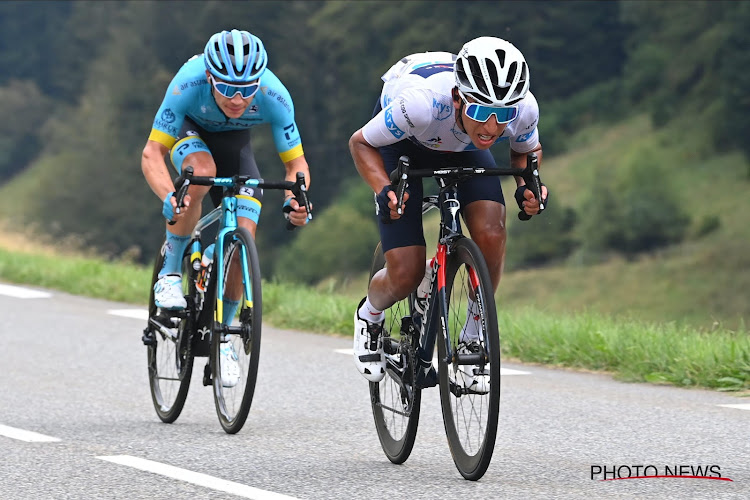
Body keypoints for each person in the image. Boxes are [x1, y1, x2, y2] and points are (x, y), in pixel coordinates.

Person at [349, 37, 547, 385]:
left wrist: (527, 185)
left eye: (503, 116)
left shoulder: (523, 108)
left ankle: (474, 332)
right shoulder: (420, 104)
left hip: (461, 146)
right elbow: (361, 143)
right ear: (458, 97)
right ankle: (370, 314)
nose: (492, 127)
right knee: (406, 271)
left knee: (491, 233)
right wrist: (383, 189)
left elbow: (525, 153)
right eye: (482, 111)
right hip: (405, 141)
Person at [142, 29, 312, 385]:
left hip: (236, 149)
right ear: (209, 77)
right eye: (227, 88)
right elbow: (152, 153)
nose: (238, 99)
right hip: (191, 136)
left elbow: (296, 166)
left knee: (243, 236)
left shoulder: (274, 95)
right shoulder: (187, 84)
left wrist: (296, 198)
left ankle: (224, 340)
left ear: (259, 80)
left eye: (247, 88)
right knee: (202, 173)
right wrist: (167, 196)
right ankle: (170, 273)